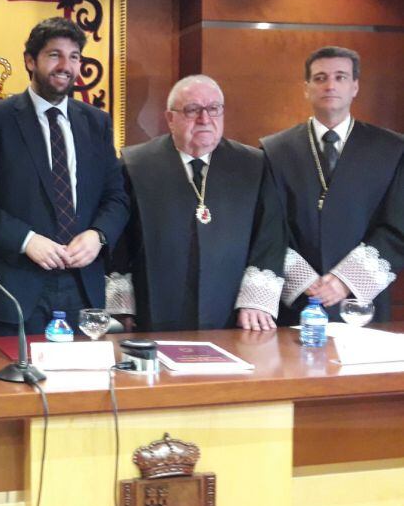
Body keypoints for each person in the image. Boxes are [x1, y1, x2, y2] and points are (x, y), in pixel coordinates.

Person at [0, 17, 129, 336]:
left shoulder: (96, 123)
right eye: (54, 55)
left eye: (74, 56)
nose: (66, 65)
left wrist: (98, 236)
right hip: (13, 285)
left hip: (82, 286)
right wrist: (27, 240)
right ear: (30, 61)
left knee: (80, 385)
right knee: (13, 384)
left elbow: (116, 197)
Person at [108, 75, 286, 331]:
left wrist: (256, 301)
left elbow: (271, 236)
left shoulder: (253, 164)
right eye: (193, 110)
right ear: (170, 118)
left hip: (232, 313)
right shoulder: (135, 165)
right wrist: (121, 306)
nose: (205, 119)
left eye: (214, 109)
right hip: (154, 312)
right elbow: (119, 243)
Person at [262, 46, 404, 323]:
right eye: (320, 78)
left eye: (340, 77)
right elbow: (268, 227)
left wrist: (343, 281)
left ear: (355, 86)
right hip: (299, 302)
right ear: (306, 88)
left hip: (362, 303)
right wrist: (306, 281)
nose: (330, 85)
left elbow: (398, 227)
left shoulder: (392, 149)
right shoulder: (274, 150)